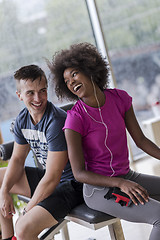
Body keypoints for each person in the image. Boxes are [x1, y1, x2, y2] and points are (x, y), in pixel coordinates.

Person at [49, 42, 160, 240]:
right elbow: (79, 173)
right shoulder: (75, 119)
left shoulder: (120, 99)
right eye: (66, 81)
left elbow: (141, 141)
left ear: (89, 68)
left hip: (127, 176)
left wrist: (125, 180)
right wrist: (120, 183)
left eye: (74, 74)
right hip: (99, 191)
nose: (71, 82)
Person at [0, 64, 83, 240]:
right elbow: (16, 159)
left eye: (42, 91)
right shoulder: (23, 119)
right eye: (30, 92)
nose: (38, 98)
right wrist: (4, 191)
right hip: (49, 179)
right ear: (19, 96)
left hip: (71, 186)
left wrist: (28, 210)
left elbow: (53, 176)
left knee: (23, 228)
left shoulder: (56, 122)